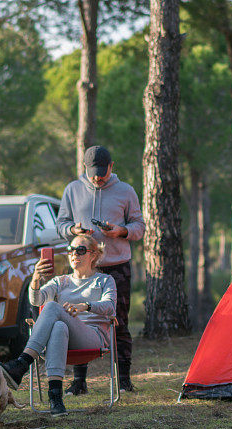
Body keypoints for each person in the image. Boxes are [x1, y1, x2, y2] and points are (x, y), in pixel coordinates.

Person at [56, 145, 144, 394]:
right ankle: (79, 382)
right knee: (79, 320)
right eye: (94, 173)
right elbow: (61, 224)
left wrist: (121, 231)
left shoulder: (126, 191)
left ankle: (124, 380)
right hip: (83, 269)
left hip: (117, 268)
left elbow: (139, 226)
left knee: (120, 321)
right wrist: (74, 231)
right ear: (85, 169)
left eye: (103, 173)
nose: (98, 177)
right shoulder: (72, 190)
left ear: (111, 167)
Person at [0, 234, 116, 417]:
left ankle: (22, 363)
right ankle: (56, 398)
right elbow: (37, 300)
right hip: (65, 339)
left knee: (53, 307)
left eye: (80, 250)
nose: (74, 254)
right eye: (70, 250)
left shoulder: (104, 281)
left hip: (93, 338)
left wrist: (85, 306)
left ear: (93, 255)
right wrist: (36, 279)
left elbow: (110, 306)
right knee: (58, 327)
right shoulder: (60, 281)